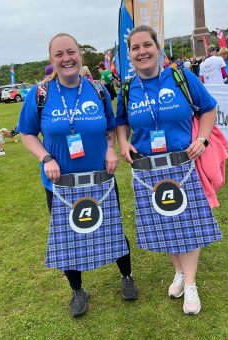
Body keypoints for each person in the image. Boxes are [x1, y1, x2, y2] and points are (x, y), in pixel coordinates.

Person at [17, 33, 138, 318]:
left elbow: (111, 127)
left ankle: (127, 277)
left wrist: (110, 149)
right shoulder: (40, 94)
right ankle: (77, 290)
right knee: (66, 237)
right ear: (52, 60)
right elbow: (26, 134)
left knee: (113, 230)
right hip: (60, 185)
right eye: (59, 54)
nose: (66, 58)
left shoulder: (97, 90)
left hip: (100, 179)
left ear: (80, 55)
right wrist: (45, 157)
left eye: (70, 52)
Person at [116, 25, 222, 315]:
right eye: (135, 48)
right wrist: (123, 142)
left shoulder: (180, 77)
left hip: (182, 165)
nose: (142, 52)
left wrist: (202, 138)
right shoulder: (127, 88)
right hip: (147, 169)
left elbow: (209, 109)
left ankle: (190, 284)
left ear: (157, 47)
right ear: (129, 55)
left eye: (147, 45)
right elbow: (121, 121)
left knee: (188, 226)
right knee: (164, 225)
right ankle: (178, 271)